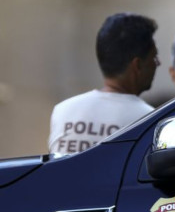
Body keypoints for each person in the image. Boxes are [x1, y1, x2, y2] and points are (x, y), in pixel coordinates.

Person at [48, 13, 159, 156]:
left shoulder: (63, 111)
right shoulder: (149, 120)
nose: (158, 63)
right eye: (154, 57)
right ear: (137, 65)